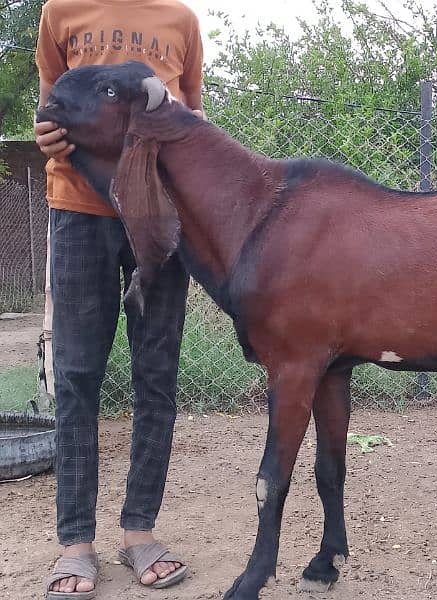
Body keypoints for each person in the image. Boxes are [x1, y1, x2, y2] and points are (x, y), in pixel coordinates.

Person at [33, 0, 204, 597]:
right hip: (79, 212)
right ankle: (75, 544)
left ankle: (140, 534)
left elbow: (194, 120)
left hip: (160, 218)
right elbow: (51, 108)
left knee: (156, 374)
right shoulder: (60, 11)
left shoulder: (180, 20)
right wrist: (47, 132)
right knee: (78, 376)